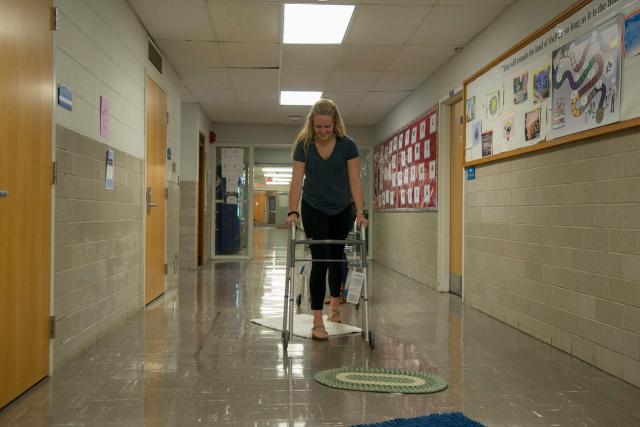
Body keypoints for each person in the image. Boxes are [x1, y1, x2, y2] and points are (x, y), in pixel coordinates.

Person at [285, 98, 368, 341]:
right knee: (320, 260)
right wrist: (292, 211)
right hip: (314, 208)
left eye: (327, 127)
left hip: (342, 208)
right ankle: (317, 320)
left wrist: (360, 212)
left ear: (335, 125)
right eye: (318, 127)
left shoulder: (347, 145)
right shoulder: (305, 145)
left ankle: (334, 306)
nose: (322, 131)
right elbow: (296, 181)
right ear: (312, 124)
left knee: (337, 258)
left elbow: (354, 181)